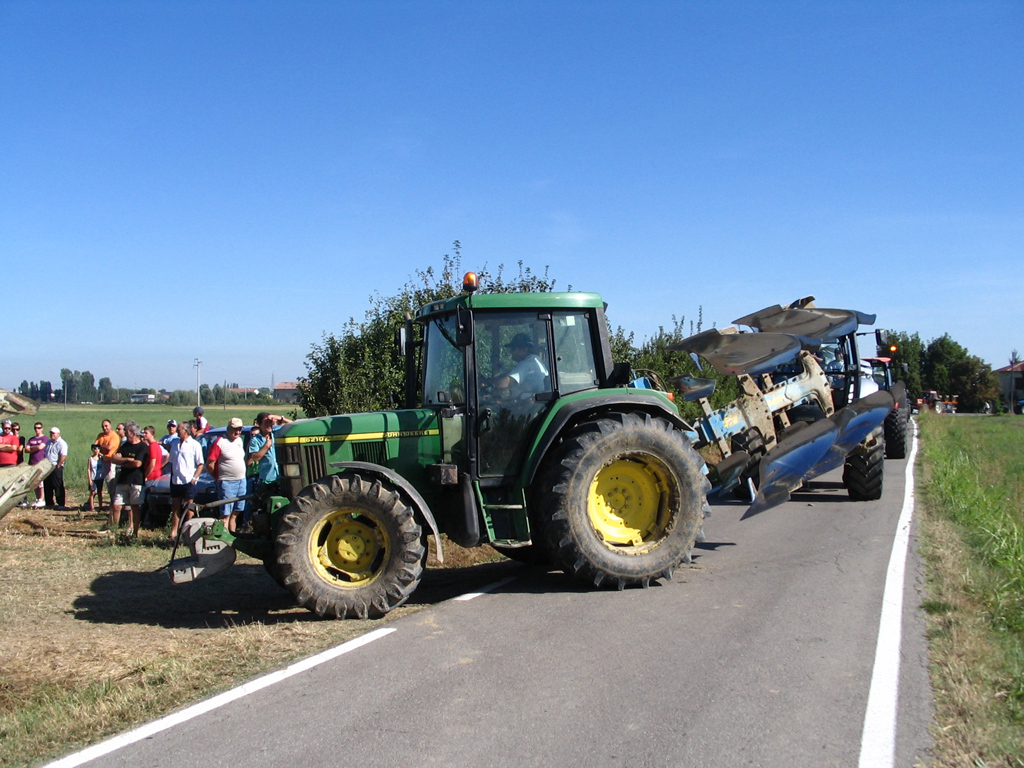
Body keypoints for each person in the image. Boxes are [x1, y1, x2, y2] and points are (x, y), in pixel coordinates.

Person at [206, 417, 248, 533]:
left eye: (240, 429)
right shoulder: (220, 442)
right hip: (227, 482)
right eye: (235, 429)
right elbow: (209, 464)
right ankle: (222, 538)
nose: (238, 432)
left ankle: (232, 535)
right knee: (225, 514)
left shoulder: (239, 441)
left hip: (241, 480)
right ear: (229, 428)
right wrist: (217, 477)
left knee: (236, 512)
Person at [168, 420, 205, 540]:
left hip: (188, 480)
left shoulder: (194, 445)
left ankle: (187, 531)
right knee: (175, 507)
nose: (177, 431)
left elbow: (200, 464)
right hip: (176, 480)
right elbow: (172, 461)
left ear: (186, 431)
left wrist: (194, 478)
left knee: (189, 508)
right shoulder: (175, 443)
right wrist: (172, 474)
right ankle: (174, 532)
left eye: (179, 429)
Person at [109, 421, 147, 536]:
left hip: (136, 481)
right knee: (116, 505)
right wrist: (128, 460)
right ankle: (114, 531)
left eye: (126, 431)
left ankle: (135, 532)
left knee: (135, 507)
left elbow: (137, 463)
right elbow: (114, 459)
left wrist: (123, 462)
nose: (125, 433)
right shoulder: (125, 445)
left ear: (133, 433)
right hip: (123, 480)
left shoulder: (142, 447)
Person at [94, 420, 122, 510]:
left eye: (106, 426)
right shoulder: (100, 435)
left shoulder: (114, 436)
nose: (104, 428)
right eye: (103, 426)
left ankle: (114, 504)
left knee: (111, 483)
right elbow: (94, 446)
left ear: (110, 426)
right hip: (103, 461)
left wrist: (100, 446)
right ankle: (112, 503)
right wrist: (102, 447)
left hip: (111, 461)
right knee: (107, 483)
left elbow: (110, 448)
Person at [43, 426, 69, 509]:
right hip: (48, 466)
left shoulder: (62, 443)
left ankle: (61, 503)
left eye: (53, 433)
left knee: (57, 485)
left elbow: (63, 455)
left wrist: (58, 465)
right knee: (47, 485)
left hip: (56, 466)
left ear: (58, 434)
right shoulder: (48, 442)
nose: (52, 435)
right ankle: (49, 503)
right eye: (51, 433)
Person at [25, 422, 48, 507]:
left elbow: (40, 447)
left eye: (39, 428)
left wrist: (32, 448)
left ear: (42, 428)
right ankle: (38, 498)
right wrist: (36, 448)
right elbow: (26, 450)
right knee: (34, 482)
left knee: (40, 482)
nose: (37, 429)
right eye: (35, 428)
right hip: (32, 462)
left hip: (41, 462)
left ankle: (41, 499)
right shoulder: (31, 439)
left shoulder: (45, 438)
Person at [85, 444, 105, 513]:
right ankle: (92, 507)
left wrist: (101, 455)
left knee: (100, 492)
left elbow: (106, 459)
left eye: (98, 449)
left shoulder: (101, 458)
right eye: (95, 449)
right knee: (92, 492)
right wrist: (89, 479)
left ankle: (100, 506)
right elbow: (88, 469)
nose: (96, 450)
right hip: (93, 477)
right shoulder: (90, 459)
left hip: (100, 477)